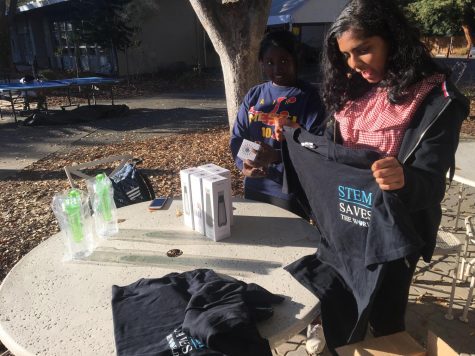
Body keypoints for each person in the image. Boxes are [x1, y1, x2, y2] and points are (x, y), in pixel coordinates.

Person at [282, 0, 469, 354]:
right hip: (344, 225)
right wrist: (300, 141)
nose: (353, 64)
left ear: (393, 38)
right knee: (339, 303)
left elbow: (431, 186)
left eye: (363, 50)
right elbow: (333, 151)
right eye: (346, 56)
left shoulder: (437, 101)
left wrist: (404, 179)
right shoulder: (351, 90)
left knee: (385, 322)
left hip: (395, 235)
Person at [230, 30, 325, 220]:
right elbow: (238, 138)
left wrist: (275, 156)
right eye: (269, 62)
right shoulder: (254, 95)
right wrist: (246, 163)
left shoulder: (310, 97)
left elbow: (317, 147)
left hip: (290, 192)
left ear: (295, 59)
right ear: (261, 63)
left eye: (283, 60)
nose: (277, 68)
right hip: (255, 186)